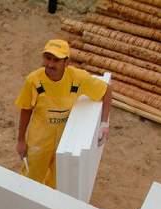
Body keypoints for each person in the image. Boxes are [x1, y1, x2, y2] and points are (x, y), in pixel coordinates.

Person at [14, 39, 112, 188]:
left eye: (56, 60)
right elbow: (26, 109)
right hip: (39, 140)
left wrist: (104, 123)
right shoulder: (33, 81)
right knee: (31, 178)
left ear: (66, 62)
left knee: (57, 180)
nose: (50, 64)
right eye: (47, 58)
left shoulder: (77, 78)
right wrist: (21, 140)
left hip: (64, 140)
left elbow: (106, 91)